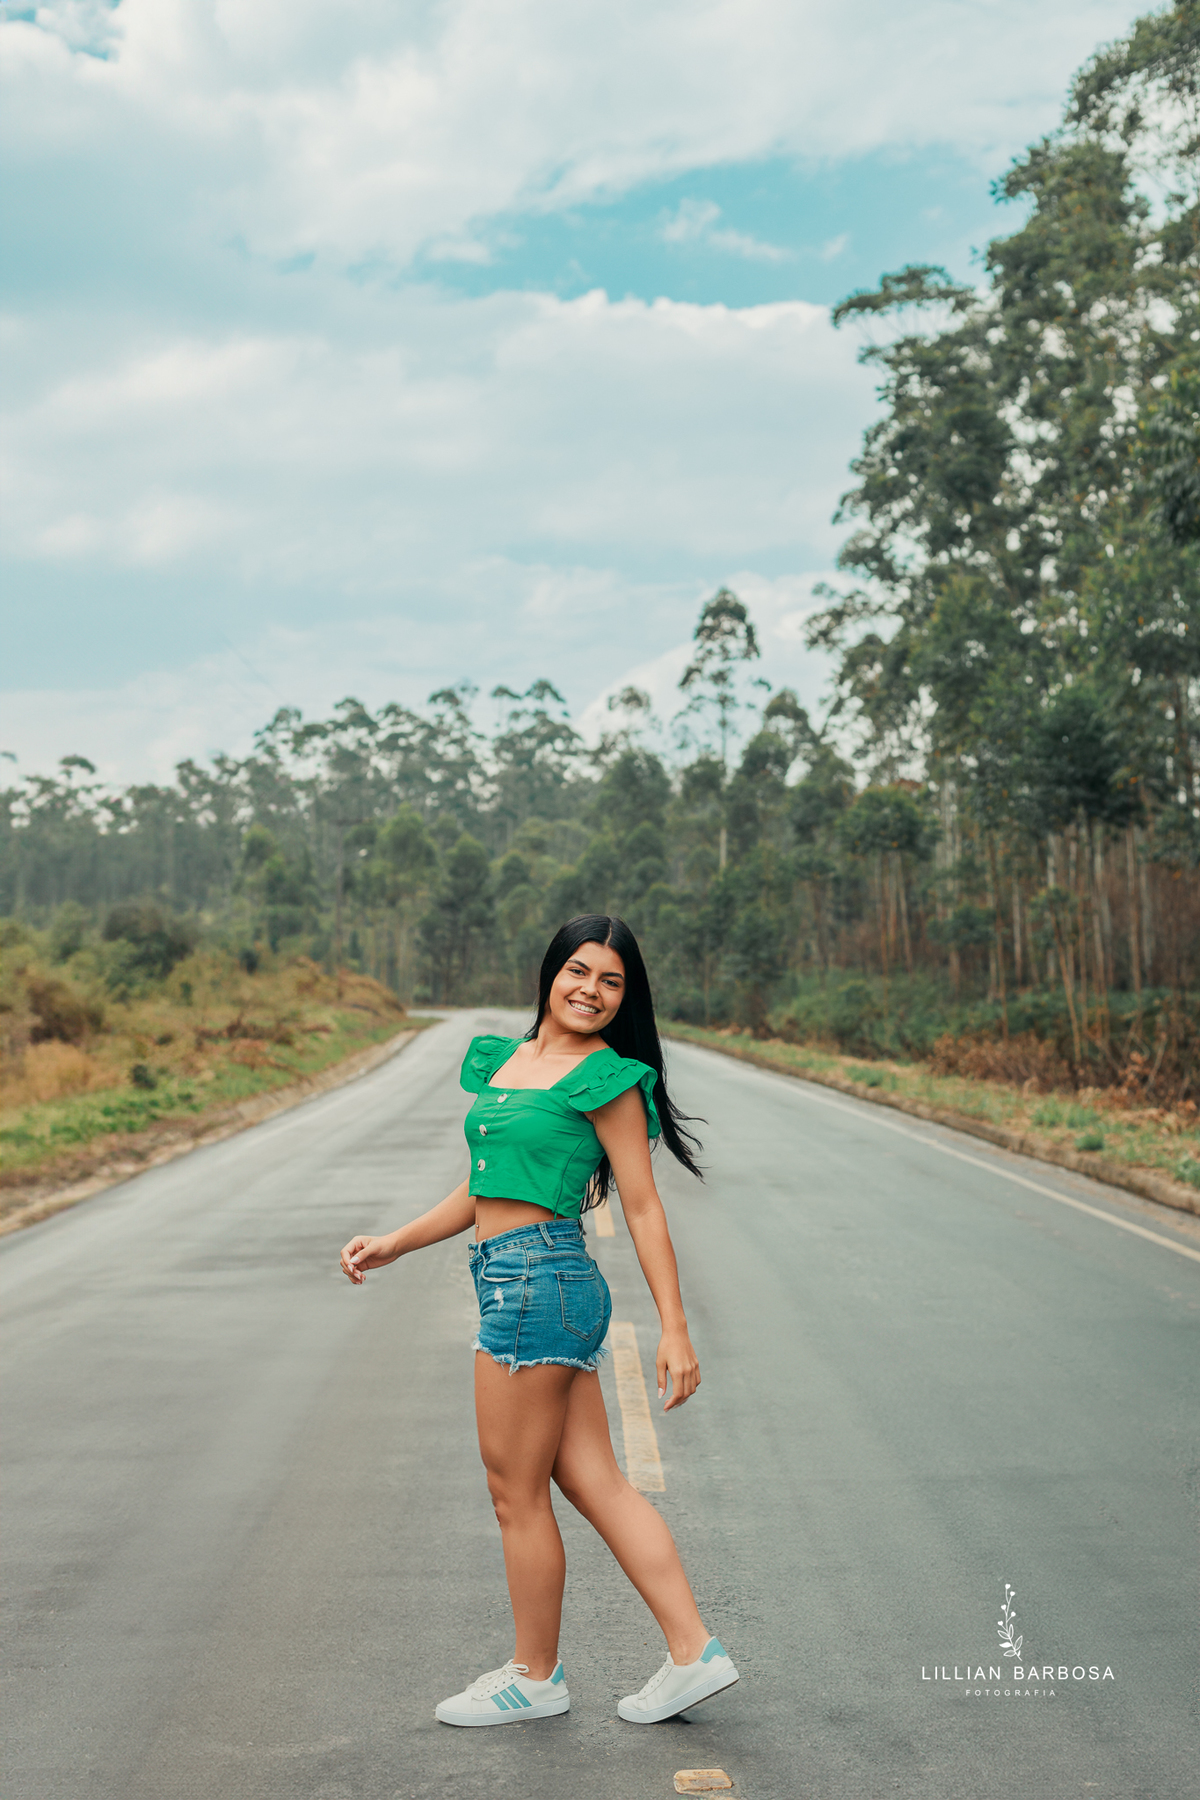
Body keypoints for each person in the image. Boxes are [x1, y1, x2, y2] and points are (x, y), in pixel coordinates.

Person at [339, 914, 739, 1727]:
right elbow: (484, 1186)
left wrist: (675, 1328)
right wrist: (396, 1242)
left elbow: (643, 1207)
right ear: (550, 973)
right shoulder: (510, 1060)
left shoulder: (608, 1080)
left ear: (626, 998)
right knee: (594, 1480)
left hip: (537, 1282)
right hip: (525, 1279)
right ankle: (695, 1652)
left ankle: (535, 1674)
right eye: (579, 972)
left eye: (612, 981)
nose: (591, 990)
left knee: (513, 1494)